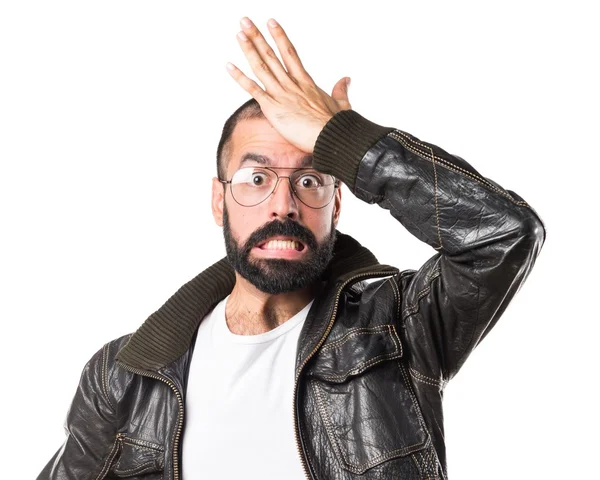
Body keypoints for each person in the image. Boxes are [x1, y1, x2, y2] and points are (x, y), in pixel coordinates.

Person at [37, 16, 545, 480]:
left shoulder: (398, 325)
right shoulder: (124, 377)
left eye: (309, 180)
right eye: (256, 177)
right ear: (220, 201)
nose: (283, 205)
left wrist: (347, 142)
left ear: (337, 204)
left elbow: (503, 234)